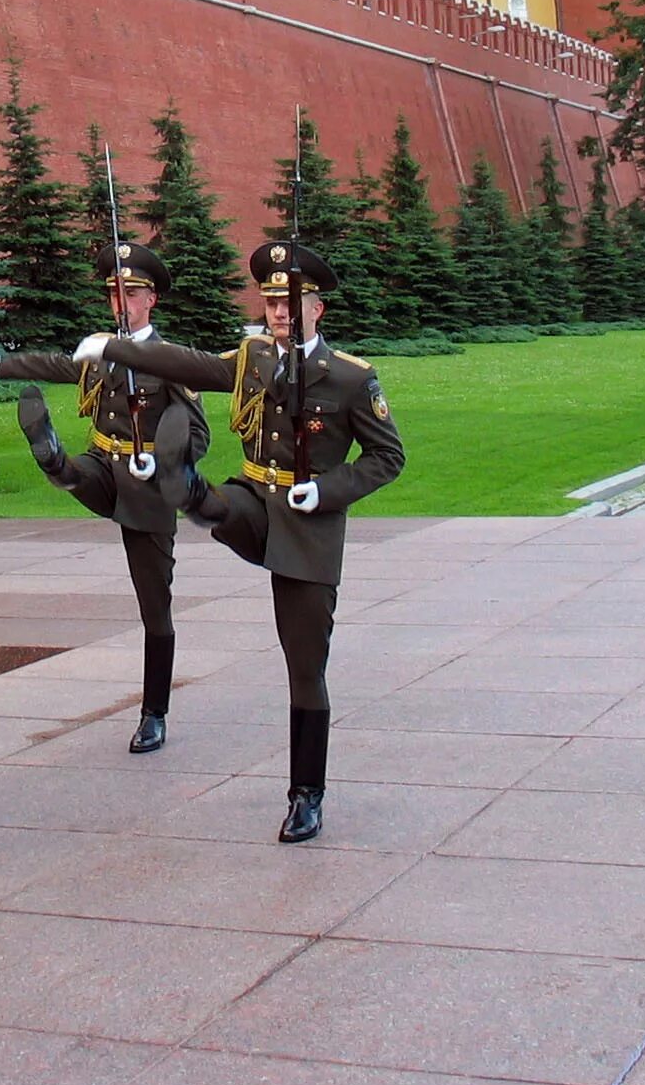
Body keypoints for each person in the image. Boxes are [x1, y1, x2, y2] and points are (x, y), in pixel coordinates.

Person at [75, 241, 403, 842]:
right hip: (255, 500)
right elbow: (198, 366)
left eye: (293, 301)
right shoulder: (252, 357)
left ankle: (307, 793)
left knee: (305, 669)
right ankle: (187, 488)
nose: (280, 311)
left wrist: (328, 491)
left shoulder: (354, 379)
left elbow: (388, 457)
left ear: (317, 309)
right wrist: (116, 346)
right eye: (274, 300)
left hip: (309, 527)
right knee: (220, 505)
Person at [0, 242, 209, 753]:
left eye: (131, 294)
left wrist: (165, 458)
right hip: (104, 466)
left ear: (152, 301)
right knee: (77, 471)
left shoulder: (168, 361)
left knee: (156, 609)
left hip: (148, 490)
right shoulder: (102, 351)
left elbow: (200, 436)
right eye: (114, 295)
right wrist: (1, 367)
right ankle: (54, 458)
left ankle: (154, 713)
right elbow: (60, 365)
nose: (121, 303)